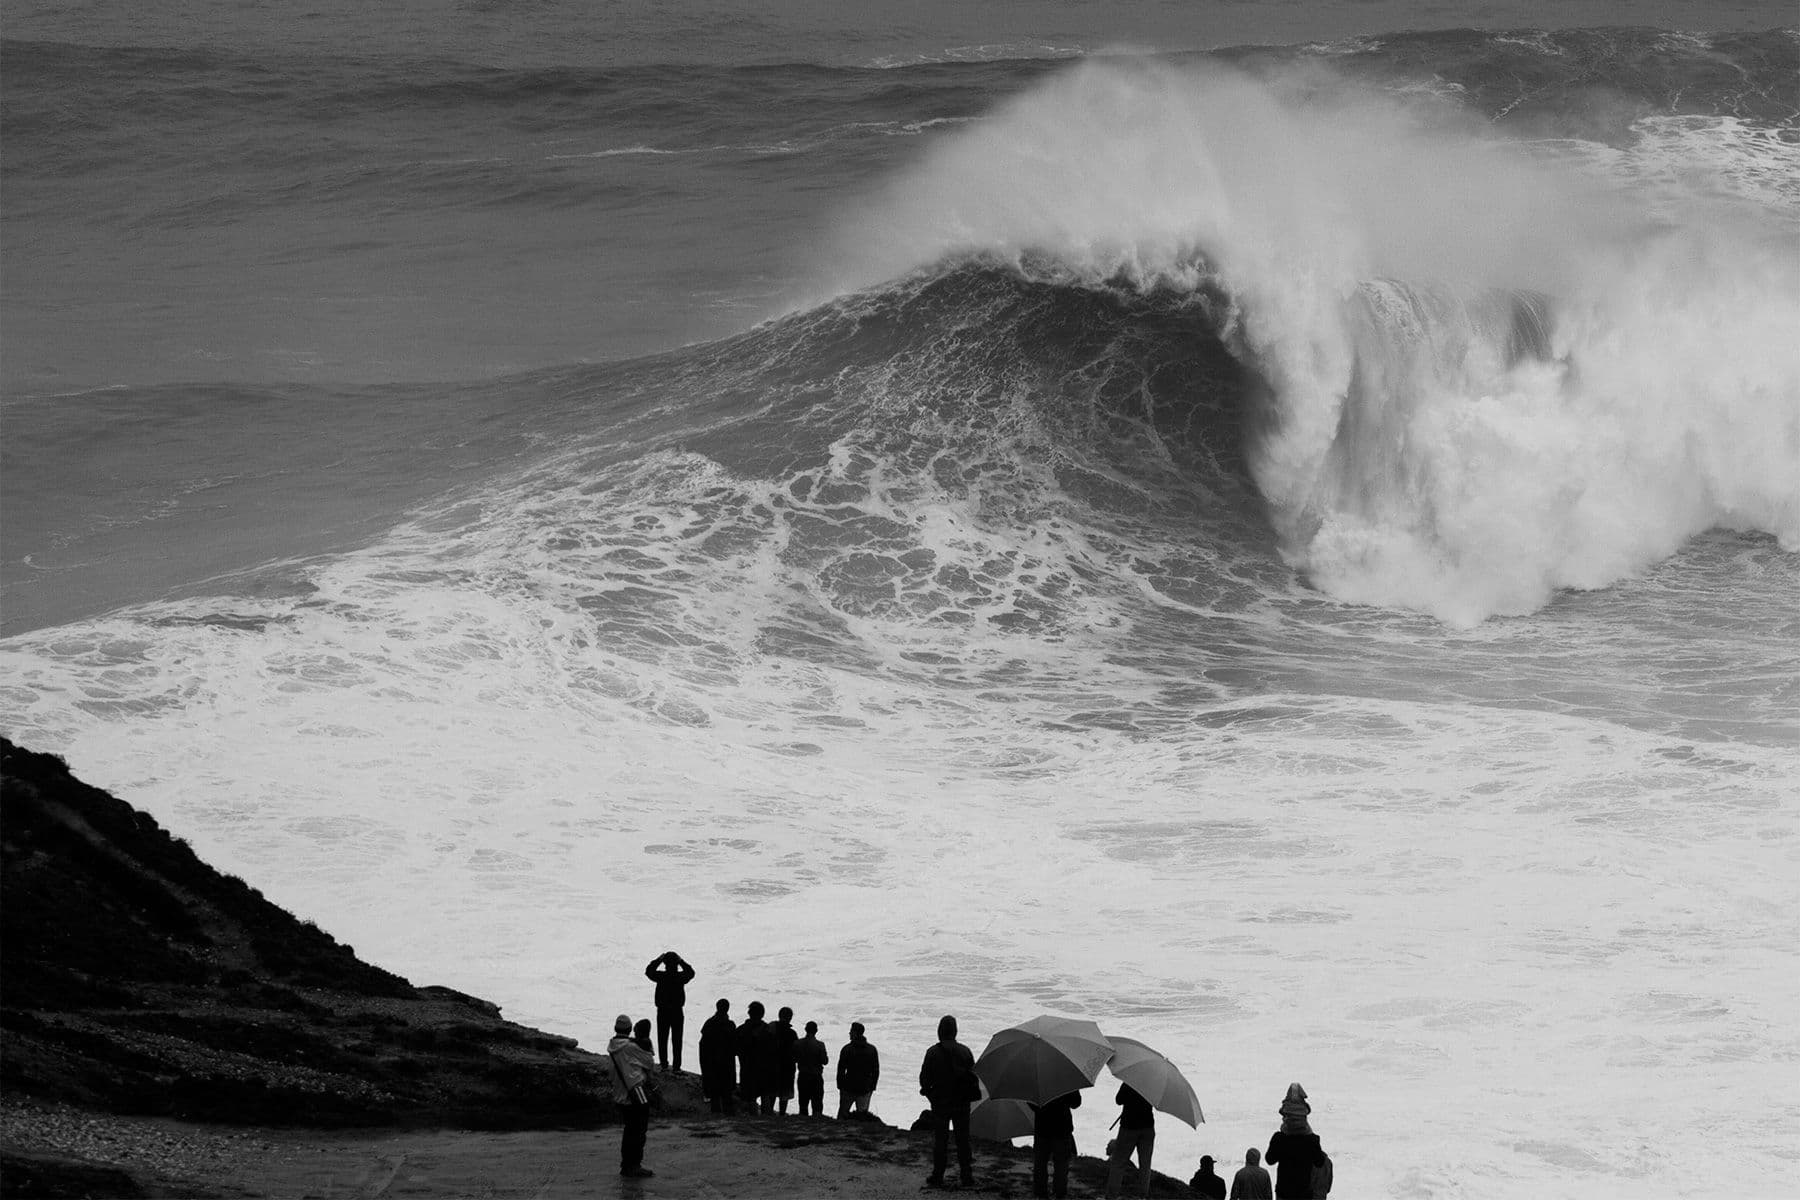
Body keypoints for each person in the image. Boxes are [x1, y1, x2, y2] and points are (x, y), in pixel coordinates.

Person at [918, 1014, 978, 1190]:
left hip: (940, 1103)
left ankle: (938, 1175)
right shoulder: (965, 1051)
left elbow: (924, 1079)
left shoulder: (932, 1052)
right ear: (955, 1031)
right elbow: (973, 1079)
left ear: (940, 1031)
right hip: (961, 1104)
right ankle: (967, 1175)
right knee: (963, 1141)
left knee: (940, 1141)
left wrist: (930, 1094)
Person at [606, 1013, 657, 1179]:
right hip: (635, 1094)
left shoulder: (612, 1048)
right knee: (638, 1132)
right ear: (629, 1029)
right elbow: (649, 1062)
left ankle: (626, 1165)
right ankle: (634, 1165)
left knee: (629, 1131)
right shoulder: (630, 1047)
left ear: (615, 1029)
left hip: (620, 1095)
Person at [1265, 1084, 1326, 1199]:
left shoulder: (1279, 1138)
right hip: (1304, 1193)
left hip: (1284, 1193)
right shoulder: (1312, 1140)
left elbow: (1270, 1160)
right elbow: (1319, 1162)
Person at [644, 951, 697, 1072]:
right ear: (676, 964)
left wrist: (658, 959)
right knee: (677, 1039)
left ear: (665, 964)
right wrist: (681, 961)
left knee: (662, 1038)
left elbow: (648, 971)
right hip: (677, 1011)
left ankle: (664, 1065)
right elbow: (691, 973)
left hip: (662, 1011)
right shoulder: (680, 977)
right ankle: (677, 1067)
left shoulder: (661, 977)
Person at [1104, 1081, 1157, 1198]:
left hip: (1129, 1127)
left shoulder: (1130, 1081)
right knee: (1145, 1164)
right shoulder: (1153, 1082)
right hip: (1147, 1127)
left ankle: (1111, 1196)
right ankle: (1142, 1196)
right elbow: (1156, 1101)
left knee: (1118, 1162)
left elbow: (1118, 1100)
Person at [1031, 1089, 1081, 1199]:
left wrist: (1041, 1109)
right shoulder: (1066, 1077)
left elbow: (1031, 1102)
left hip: (1042, 1127)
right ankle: (1059, 1193)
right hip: (1062, 1128)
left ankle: (1041, 1193)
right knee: (1061, 1164)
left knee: (1040, 1162)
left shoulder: (1036, 1077)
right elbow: (1076, 1103)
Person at [697, 998, 737, 1114]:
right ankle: (728, 1118)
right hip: (726, 1064)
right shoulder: (730, 1025)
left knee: (715, 1095)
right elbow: (734, 1047)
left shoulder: (709, 1024)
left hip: (712, 1064)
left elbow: (703, 1046)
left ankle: (717, 1119)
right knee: (727, 1095)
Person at [836, 1021, 879, 1119]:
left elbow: (841, 1070)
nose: (849, 1033)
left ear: (855, 1033)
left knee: (842, 1116)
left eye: (851, 1031)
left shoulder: (847, 1049)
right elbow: (875, 1070)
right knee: (862, 1117)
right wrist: (872, 1086)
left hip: (848, 1087)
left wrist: (840, 1086)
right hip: (865, 1088)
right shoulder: (871, 1049)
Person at [737, 1000, 772, 1113]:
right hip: (764, 1069)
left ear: (749, 1013)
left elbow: (735, 1049)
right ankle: (766, 1120)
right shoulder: (768, 1030)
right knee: (765, 1095)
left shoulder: (741, 1030)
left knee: (749, 1097)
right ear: (762, 1014)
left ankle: (753, 1119)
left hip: (747, 1068)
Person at [795, 1020, 830, 1117]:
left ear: (805, 1029)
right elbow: (825, 1061)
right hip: (816, 1077)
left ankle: (803, 1125)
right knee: (817, 1104)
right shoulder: (820, 1045)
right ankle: (817, 1125)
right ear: (816, 1031)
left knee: (803, 1103)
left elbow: (794, 1058)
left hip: (803, 1075)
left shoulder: (798, 1043)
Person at [772, 1006, 800, 1115]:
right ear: (790, 1018)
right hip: (787, 1067)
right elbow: (796, 1052)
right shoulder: (792, 1034)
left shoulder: (771, 1029)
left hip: (773, 1065)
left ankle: (769, 1113)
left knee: (772, 1091)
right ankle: (782, 1115)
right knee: (784, 1094)